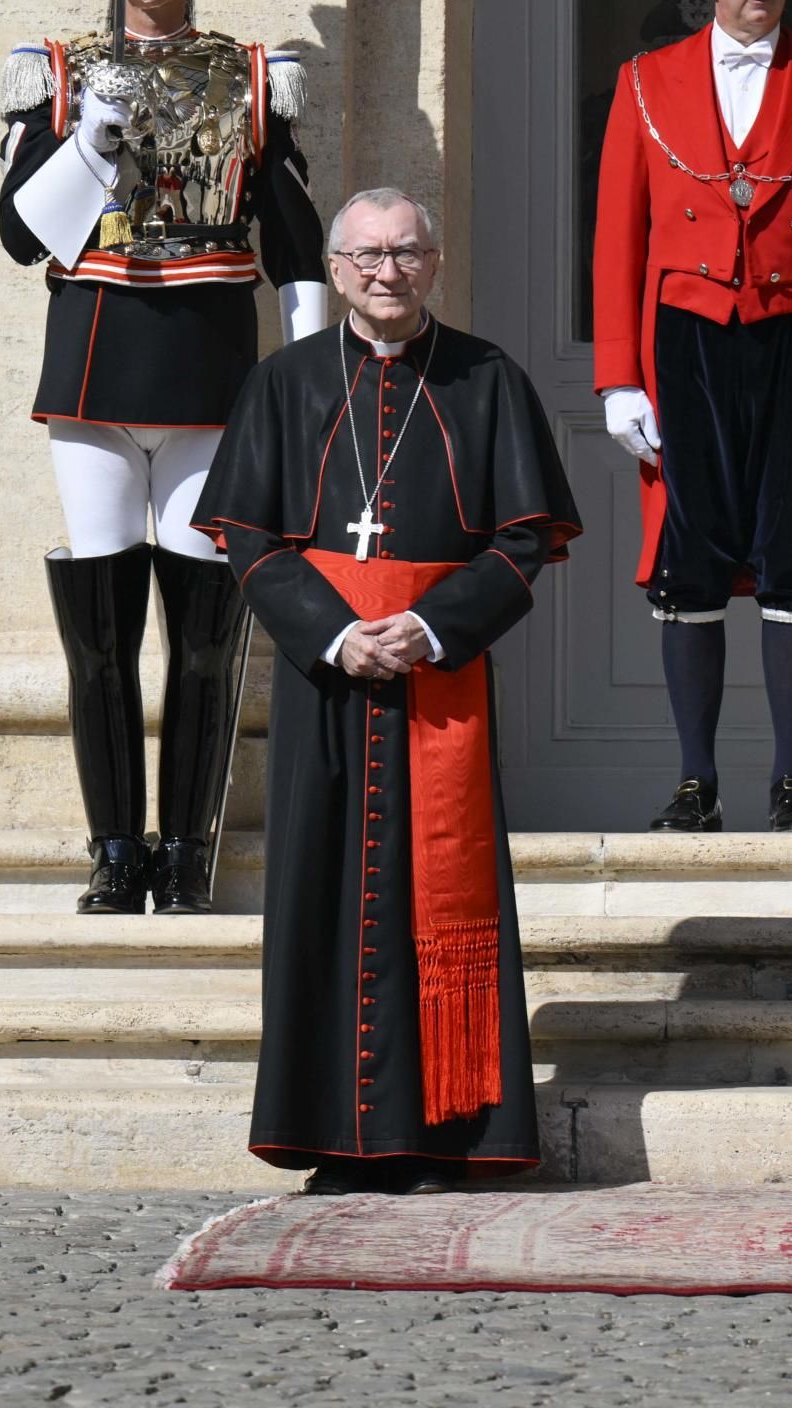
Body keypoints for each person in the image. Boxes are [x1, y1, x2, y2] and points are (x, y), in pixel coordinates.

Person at [193, 189, 582, 1195]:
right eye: (365, 254)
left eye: (405, 252)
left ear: (435, 261)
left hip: (436, 671)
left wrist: (431, 624)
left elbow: (525, 534)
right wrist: (333, 632)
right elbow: (248, 533)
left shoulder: (487, 378)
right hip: (330, 672)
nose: (385, 271)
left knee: (436, 903)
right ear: (334, 266)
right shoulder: (283, 382)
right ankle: (335, 1139)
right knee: (321, 897)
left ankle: (441, 1138)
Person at [0, 0, 331, 916]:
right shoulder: (58, 69)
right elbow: (20, 233)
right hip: (97, 360)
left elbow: (288, 230)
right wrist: (87, 140)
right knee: (98, 624)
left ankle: (184, 848)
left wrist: (316, 363)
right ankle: (112, 849)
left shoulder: (246, 71)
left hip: (206, 367)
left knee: (202, 622)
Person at [593, 0, 792, 835]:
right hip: (682, 338)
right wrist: (616, 377)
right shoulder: (646, 81)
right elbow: (616, 239)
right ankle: (695, 781)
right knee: (692, 561)